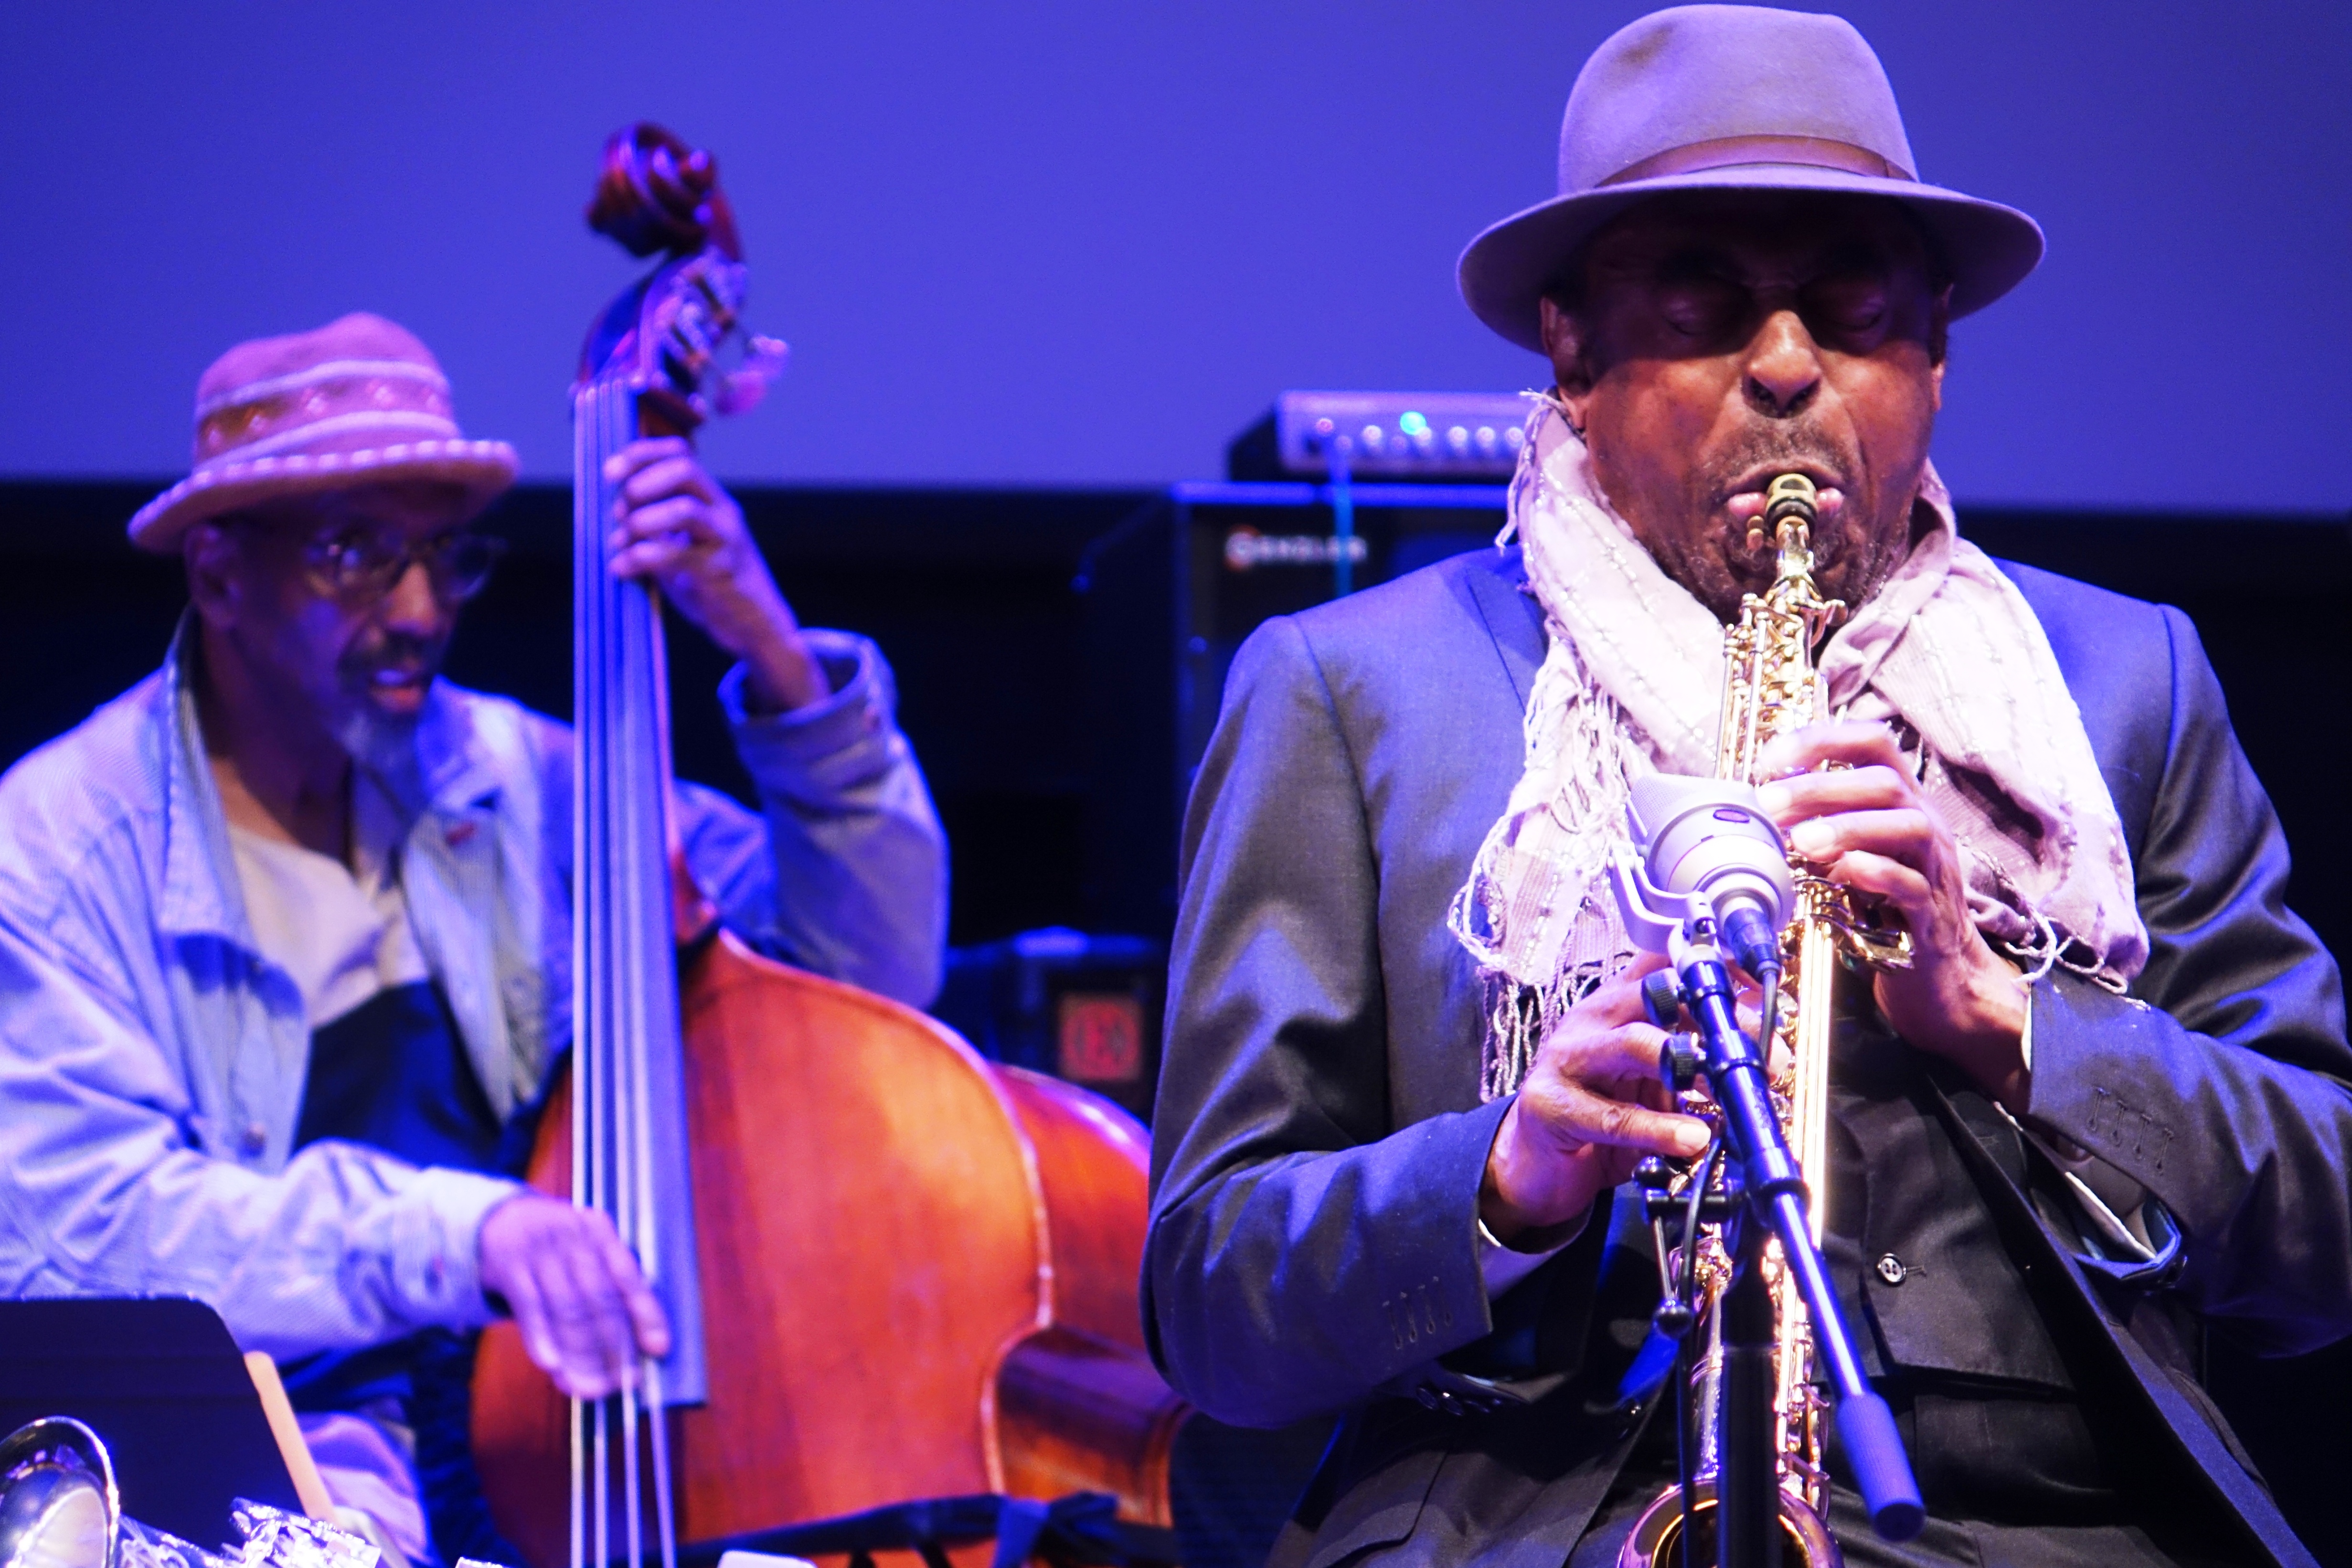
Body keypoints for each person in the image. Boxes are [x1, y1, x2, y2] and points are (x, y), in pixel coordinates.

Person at [1143, 8, 2351, 1567]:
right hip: (1547, 1526)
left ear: (1934, 357)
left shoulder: (2129, 680)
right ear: (1573, 352)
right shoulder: (1353, 686)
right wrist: (1508, 1174)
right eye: (1709, 309)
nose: (1788, 371)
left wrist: (2014, 1021)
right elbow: (1209, 1308)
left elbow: (2329, 1235)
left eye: (1849, 312)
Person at [0, 312, 948, 1564]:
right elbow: (87, 1229)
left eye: (442, 556)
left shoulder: (522, 776)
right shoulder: (59, 845)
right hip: (291, 1439)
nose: (419, 609)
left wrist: (773, 655)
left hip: (568, 1422)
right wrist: (467, 1230)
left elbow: (859, 984)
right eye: (355, 554)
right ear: (219, 575)